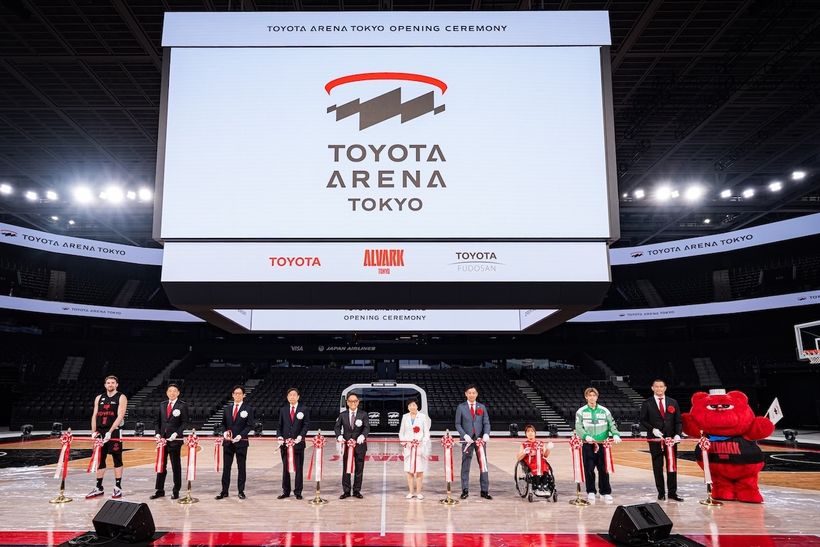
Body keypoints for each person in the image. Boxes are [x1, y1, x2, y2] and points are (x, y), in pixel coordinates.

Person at [639, 378, 683, 502]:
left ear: (665, 388)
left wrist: (678, 434)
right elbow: (643, 420)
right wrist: (652, 429)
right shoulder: (647, 403)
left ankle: (672, 493)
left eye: (661, 386)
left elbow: (678, 421)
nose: (659, 388)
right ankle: (661, 492)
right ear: (652, 388)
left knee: (672, 466)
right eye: (656, 386)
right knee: (657, 466)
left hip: (671, 440)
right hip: (655, 440)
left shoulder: (673, 402)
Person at [575, 387, 621, 503]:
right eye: (589, 395)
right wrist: (586, 436)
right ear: (586, 397)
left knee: (603, 469)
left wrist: (615, 434)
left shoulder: (605, 411)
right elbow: (578, 427)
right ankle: (591, 491)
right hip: (588, 445)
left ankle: (605, 492)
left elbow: (611, 424)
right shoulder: (581, 411)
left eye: (594, 395)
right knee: (589, 469)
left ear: (597, 397)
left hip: (602, 444)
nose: (592, 397)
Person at [86, 375, 128, 499]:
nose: (110, 384)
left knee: (117, 459)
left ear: (116, 384)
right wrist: (93, 431)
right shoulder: (99, 397)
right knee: (100, 459)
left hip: (114, 431)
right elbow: (94, 415)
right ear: (105, 385)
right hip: (100, 432)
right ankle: (98, 487)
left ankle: (118, 487)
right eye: (108, 383)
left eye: (113, 383)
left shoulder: (121, 397)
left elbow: (120, 416)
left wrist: (110, 431)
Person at [151, 383, 189, 500]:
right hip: (162, 440)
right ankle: (159, 490)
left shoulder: (182, 405)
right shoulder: (162, 404)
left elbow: (185, 422)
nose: (172, 393)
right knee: (161, 465)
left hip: (175, 440)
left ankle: (176, 490)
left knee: (175, 466)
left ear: (178, 393)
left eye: (174, 391)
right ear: (167, 393)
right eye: (170, 391)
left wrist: (177, 433)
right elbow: (157, 421)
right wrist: (157, 433)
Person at [216, 385, 254, 500]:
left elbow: (249, 425)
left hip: (241, 442)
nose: (237, 395)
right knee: (226, 468)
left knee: (241, 467)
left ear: (243, 395)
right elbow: (223, 424)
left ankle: (241, 491)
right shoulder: (227, 409)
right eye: (235, 393)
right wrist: (224, 433)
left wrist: (240, 435)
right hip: (228, 443)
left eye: (240, 393)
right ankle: (224, 491)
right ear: (232, 395)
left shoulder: (248, 409)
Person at [455, 384, 492, 500]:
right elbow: (457, 424)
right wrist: (464, 435)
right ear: (466, 394)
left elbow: (486, 423)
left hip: (480, 440)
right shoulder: (461, 407)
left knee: (483, 465)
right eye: (469, 393)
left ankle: (484, 490)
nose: (471, 395)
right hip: (467, 441)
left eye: (473, 393)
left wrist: (486, 434)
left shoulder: (482, 407)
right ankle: (465, 490)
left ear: (477, 394)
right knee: (465, 465)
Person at [334, 392, 369, 499]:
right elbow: (337, 427)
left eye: (355, 401)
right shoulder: (342, 415)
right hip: (347, 445)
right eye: (350, 401)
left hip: (360, 446)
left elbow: (367, 427)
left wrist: (363, 435)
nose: (353, 403)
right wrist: (339, 436)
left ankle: (357, 491)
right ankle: (346, 491)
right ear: (347, 403)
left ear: (358, 402)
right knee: (346, 468)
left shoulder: (363, 414)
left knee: (359, 468)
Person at [276, 387, 309, 500]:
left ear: (298, 397)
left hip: (298, 444)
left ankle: (298, 491)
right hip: (285, 445)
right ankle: (286, 491)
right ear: (287, 397)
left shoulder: (303, 409)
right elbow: (279, 426)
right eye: (290, 395)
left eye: (294, 395)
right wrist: (279, 436)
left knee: (299, 469)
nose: (292, 397)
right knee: (285, 468)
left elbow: (306, 425)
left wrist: (300, 436)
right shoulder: (283, 410)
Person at [398, 398, 431, 499]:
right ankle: (411, 492)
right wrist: (404, 443)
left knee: (420, 471)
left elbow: (426, 433)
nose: (412, 407)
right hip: (408, 448)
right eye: (410, 405)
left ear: (417, 406)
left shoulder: (423, 417)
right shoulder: (405, 417)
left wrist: (422, 443)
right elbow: (401, 432)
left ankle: (419, 492)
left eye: (414, 405)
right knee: (409, 471)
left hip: (420, 448)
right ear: (408, 407)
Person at [516, 424, 554, 491]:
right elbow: (518, 458)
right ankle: (537, 486)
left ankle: (545, 485)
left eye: (532, 431)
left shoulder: (540, 443)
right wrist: (524, 452)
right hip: (530, 463)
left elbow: (545, 455)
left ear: (535, 433)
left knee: (545, 470)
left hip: (541, 462)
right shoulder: (524, 444)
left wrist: (548, 448)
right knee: (536, 470)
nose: (530, 433)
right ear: (526, 434)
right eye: (528, 431)